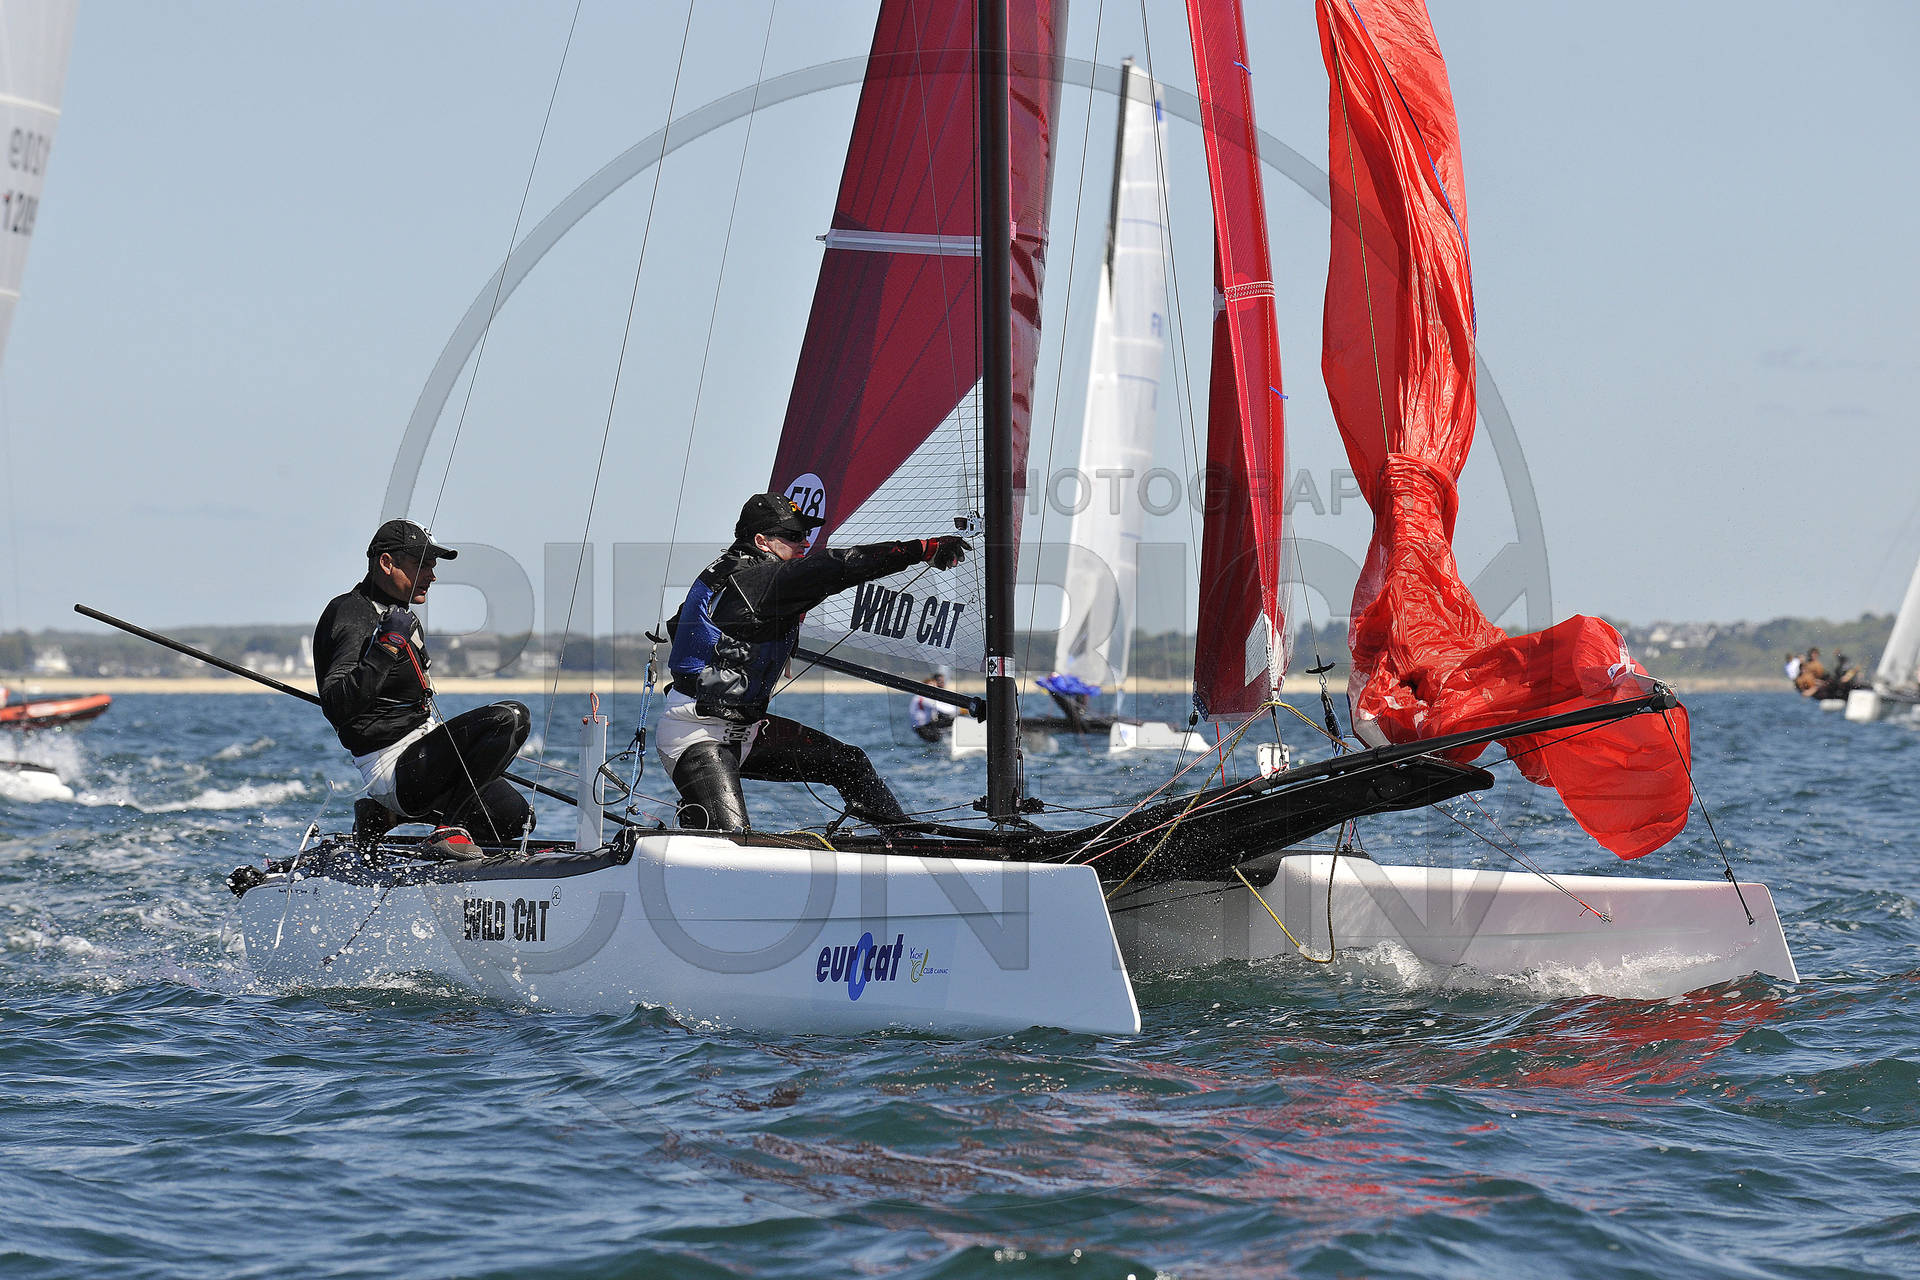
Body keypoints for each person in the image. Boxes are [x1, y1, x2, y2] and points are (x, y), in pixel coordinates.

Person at [659, 494, 969, 832]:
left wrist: (759, 647)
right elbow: (834, 567)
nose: (804, 543)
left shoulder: (731, 572)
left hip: (747, 731)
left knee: (849, 763)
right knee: (731, 841)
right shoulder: (755, 579)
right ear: (761, 541)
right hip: (698, 735)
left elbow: (685, 625)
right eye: (793, 536)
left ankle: (902, 840)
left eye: (804, 535)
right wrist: (921, 549)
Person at [314, 519, 533, 856]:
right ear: (387, 563)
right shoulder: (351, 613)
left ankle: (382, 817)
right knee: (511, 718)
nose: (432, 576)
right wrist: (387, 646)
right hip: (391, 765)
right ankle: (447, 830)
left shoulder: (397, 613)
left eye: (432, 566)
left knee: (516, 820)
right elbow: (336, 706)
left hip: (421, 757)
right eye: (422, 565)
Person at [909, 672, 956, 743]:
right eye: (932, 686)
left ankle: (948, 735)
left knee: (945, 718)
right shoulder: (924, 697)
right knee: (953, 719)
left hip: (921, 726)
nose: (934, 688)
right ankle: (949, 738)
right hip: (923, 728)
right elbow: (946, 709)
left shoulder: (919, 696)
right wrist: (961, 710)